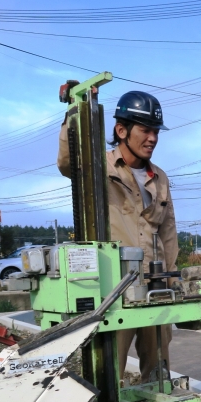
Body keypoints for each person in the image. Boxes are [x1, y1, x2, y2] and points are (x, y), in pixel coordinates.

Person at [57, 91, 178, 383]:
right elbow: (67, 163)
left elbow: (168, 232)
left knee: (158, 368)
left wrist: (173, 279)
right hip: (113, 290)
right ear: (121, 131)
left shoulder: (160, 177)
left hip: (154, 286)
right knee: (109, 369)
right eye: (145, 130)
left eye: (156, 131)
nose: (153, 138)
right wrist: (74, 112)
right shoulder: (99, 166)